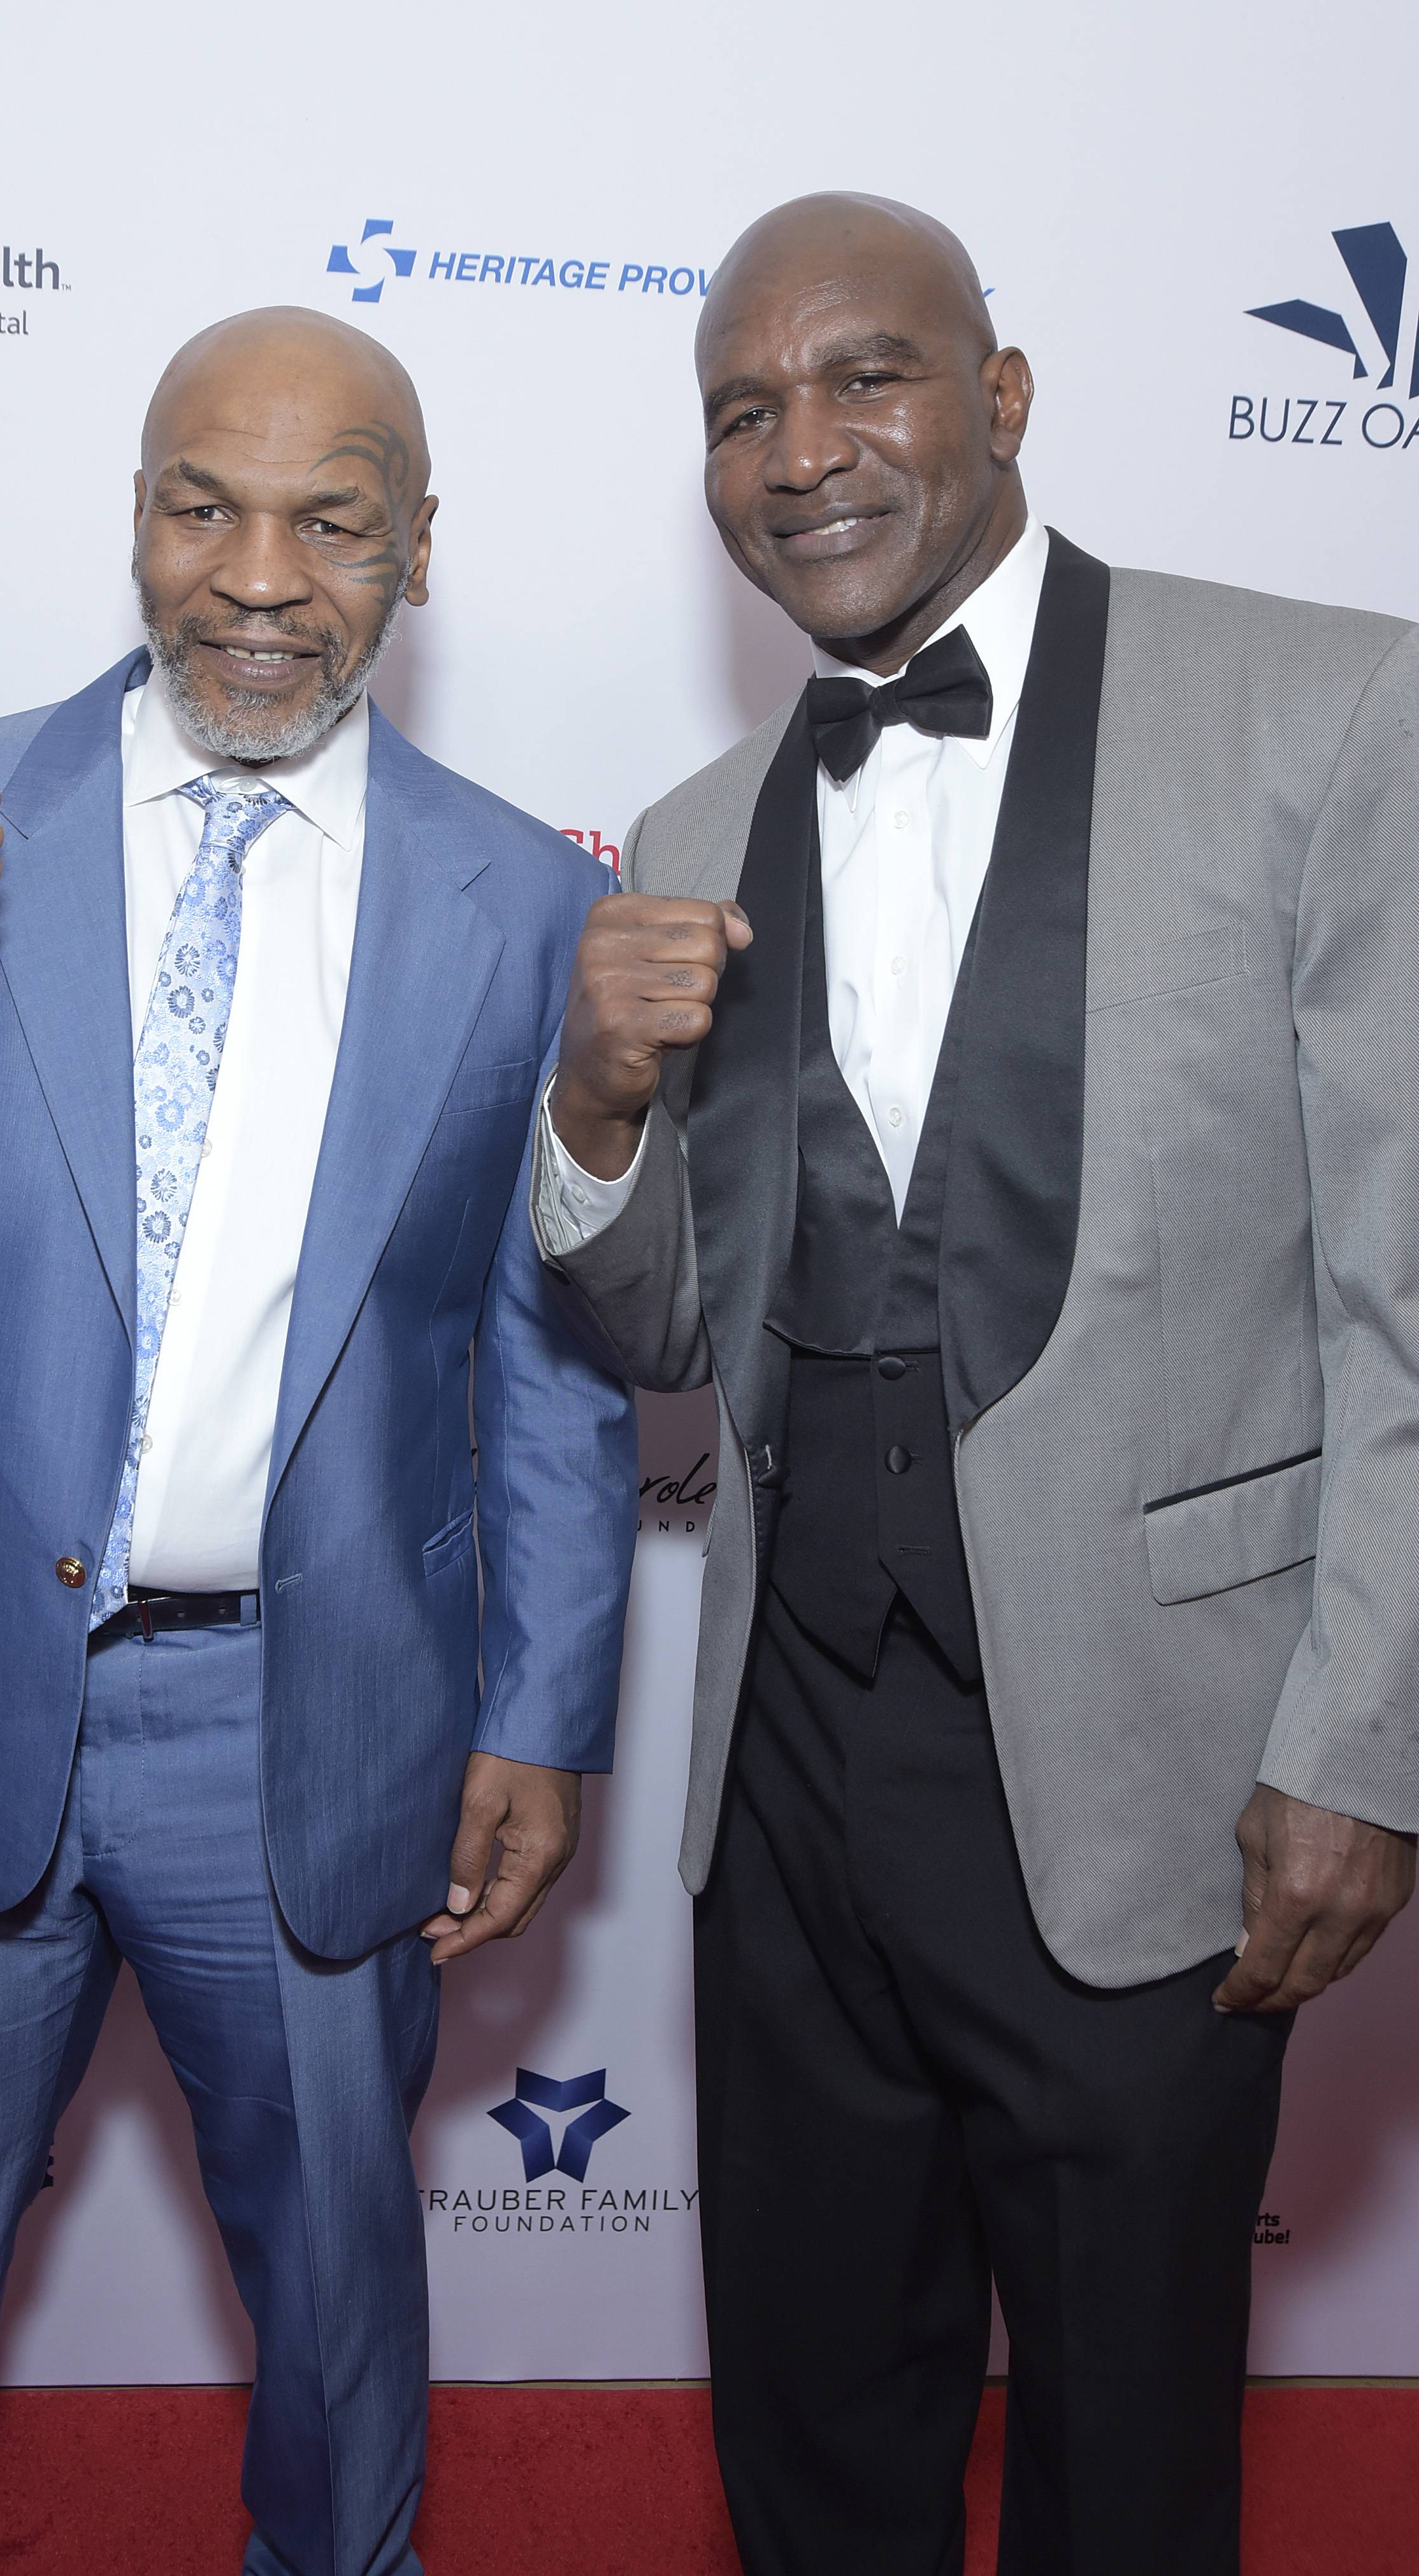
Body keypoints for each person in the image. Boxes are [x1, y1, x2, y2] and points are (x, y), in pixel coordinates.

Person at [0, 307, 633, 2576]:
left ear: (417, 547)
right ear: (135, 512)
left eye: (328, 519)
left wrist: (544, 1706)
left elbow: (547, 1357)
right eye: (202, 504)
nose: (255, 575)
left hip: (306, 1727)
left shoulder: (525, 902)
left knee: (332, 2303)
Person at [535, 192, 1419, 2574]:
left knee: (1128, 2456)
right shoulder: (708, 828)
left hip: (1151, 1772)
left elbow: (1405, 1300)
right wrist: (596, 1116)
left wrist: (1358, 1747)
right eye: (741, 411)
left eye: (865, 378)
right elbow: (666, 1340)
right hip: (789, 1774)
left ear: (1000, 395)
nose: (801, 450)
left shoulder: (1327, 709)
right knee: (814, 2425)